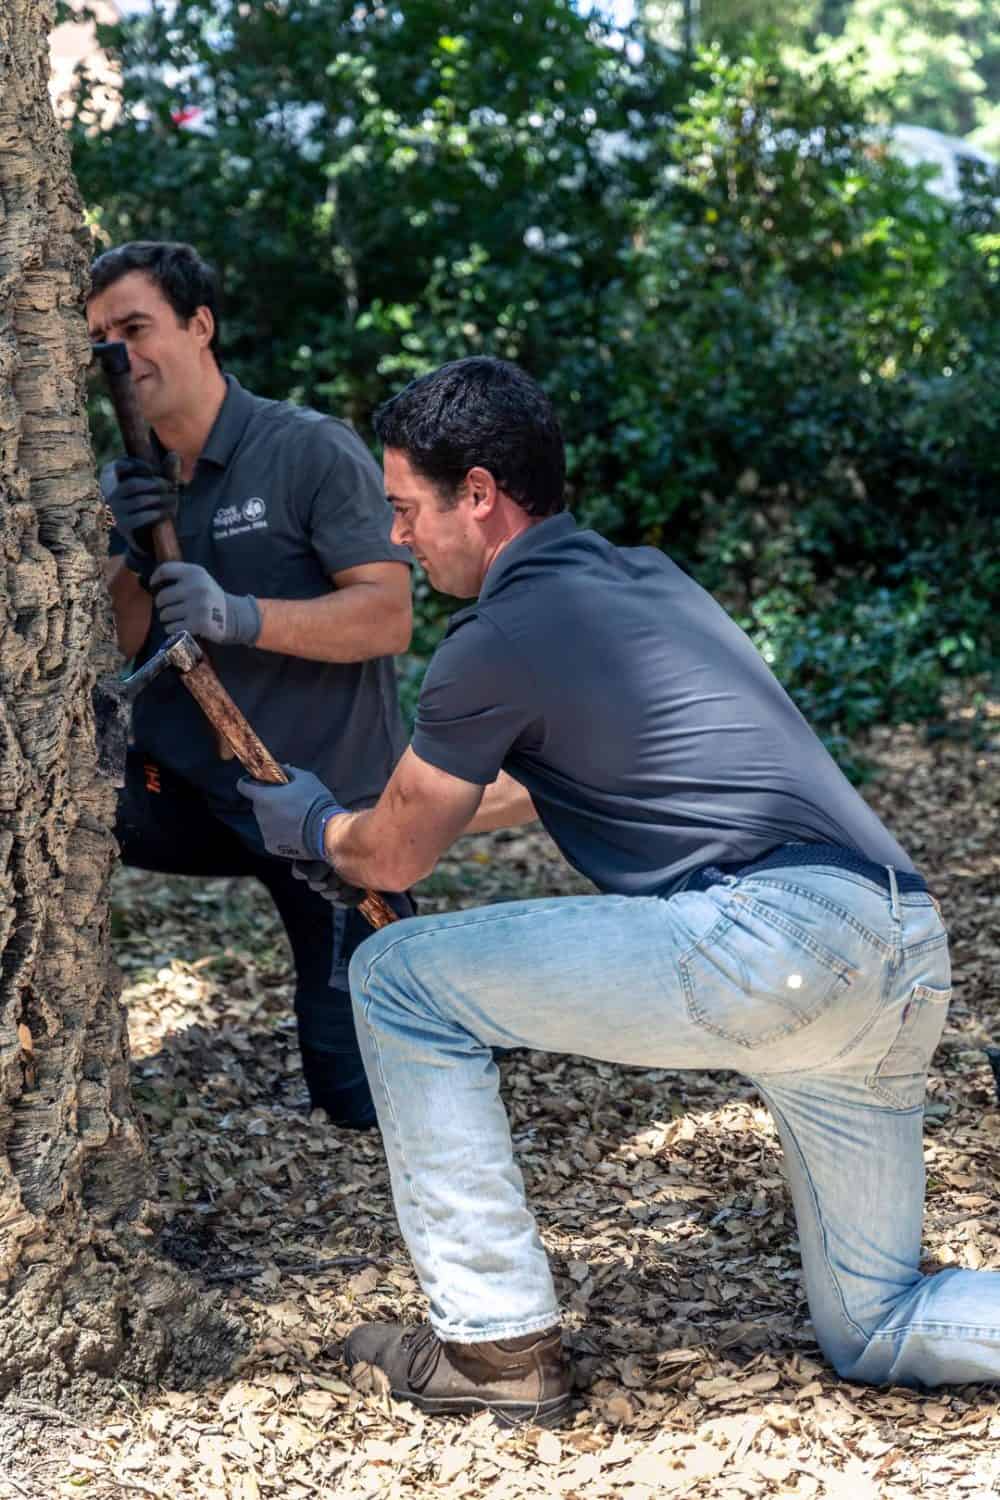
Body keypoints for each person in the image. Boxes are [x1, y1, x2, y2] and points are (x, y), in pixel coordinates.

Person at [239, 356, 981, 1430]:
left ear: (480, 495)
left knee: (398, 977)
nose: (396, 538)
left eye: (405, 510)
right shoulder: (644, 580)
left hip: (772, 940)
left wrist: (318, 828)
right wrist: (359, 824)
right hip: (897, 950)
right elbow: (522, 790)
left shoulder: (492, 641)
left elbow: (393, 860)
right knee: (877, 1323)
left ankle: (494, 1349)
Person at [87, 240, 413, 1128]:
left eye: (137, 327)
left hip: (320, 807)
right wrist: (121, 542)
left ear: (200, 326)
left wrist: (239, 615)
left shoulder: (305, 451)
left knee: (359, 1094)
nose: (121, 353)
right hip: (189, 794)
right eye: (102, 337)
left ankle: (450, 981)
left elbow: (388, 616)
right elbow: (118, 645)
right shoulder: (130, 475)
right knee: (45, 799)